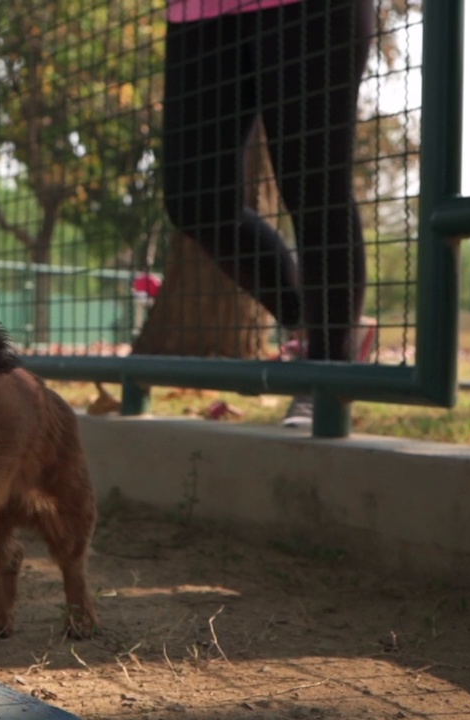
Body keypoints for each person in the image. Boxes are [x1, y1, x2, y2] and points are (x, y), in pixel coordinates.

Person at [161, 0, 376, 427]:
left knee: (313, 181)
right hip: (199, 10)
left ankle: (326, 374)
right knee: (195, 201)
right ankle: (314, 323)